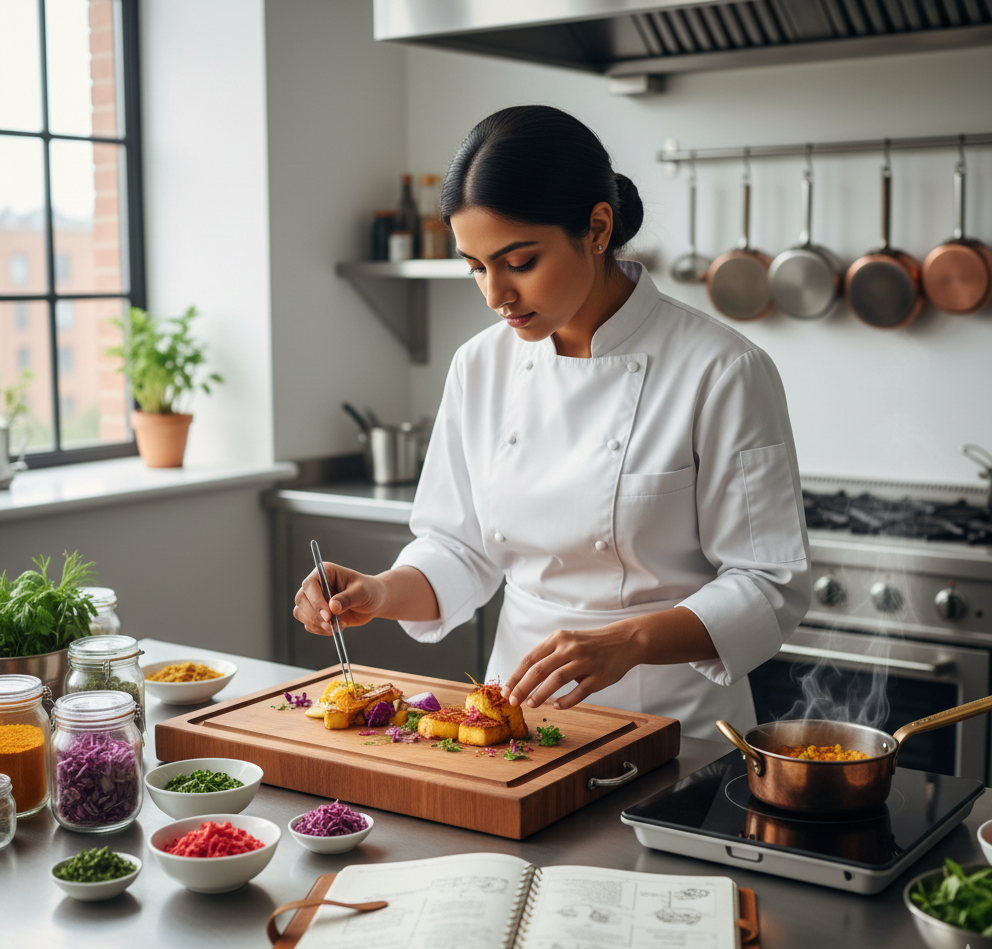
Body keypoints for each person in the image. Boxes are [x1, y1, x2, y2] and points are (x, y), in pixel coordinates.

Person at [294, 105, 811, 740]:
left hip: (676, 727)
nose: (494, 295)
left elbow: (769, 584)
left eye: (519, 261)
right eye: (476, 266)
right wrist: (378, 591)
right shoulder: (480, 365)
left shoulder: (722, 368)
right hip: (513, 721)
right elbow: (459, 549)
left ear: (597, 227)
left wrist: (631, 639)